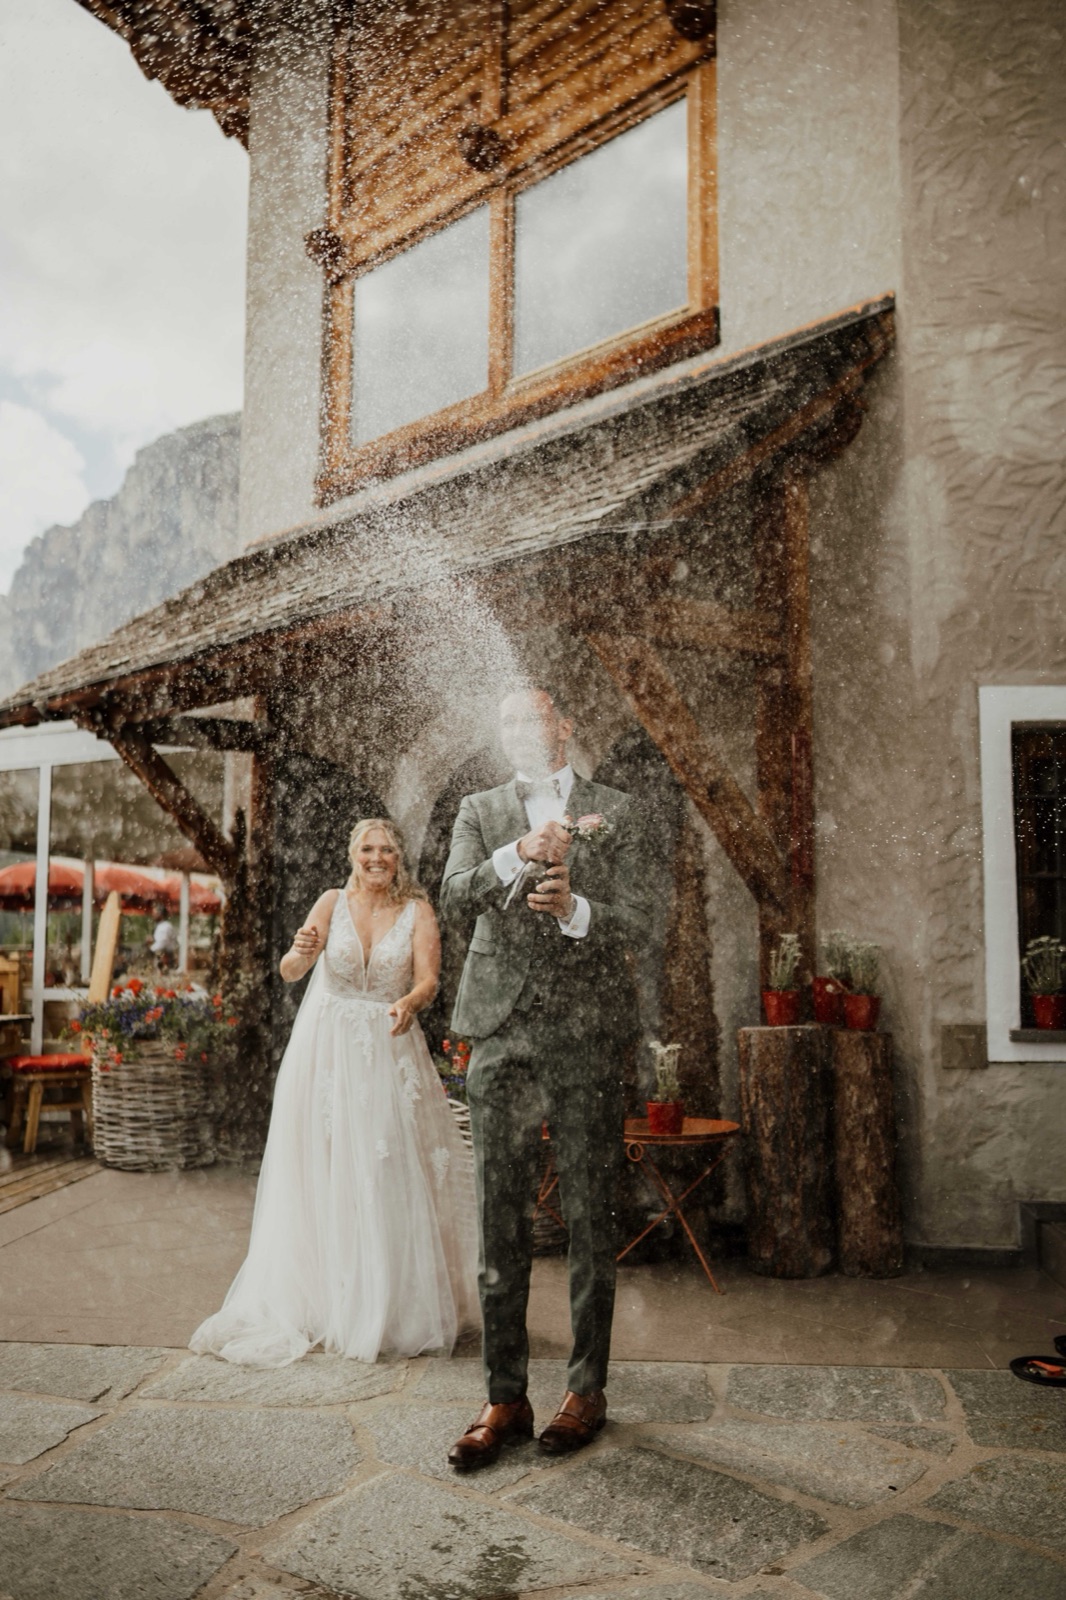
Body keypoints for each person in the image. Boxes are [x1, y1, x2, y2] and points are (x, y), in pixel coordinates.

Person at [441, 687, 648, 1469]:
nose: (518, 731)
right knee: (501, 1214)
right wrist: (517, 855)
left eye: (532, 718)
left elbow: (646, 915)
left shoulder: (615, 808)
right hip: (499, 1029)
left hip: (587, 1032)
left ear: (565, 724)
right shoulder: (479, 809)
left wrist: (579, 911)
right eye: (506, 722)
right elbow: (456, 896)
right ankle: (505, 1397)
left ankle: (585, 1390)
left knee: (593, 1211)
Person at [190, 818, 478, 1367]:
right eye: (367, 848)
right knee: (322, 1165)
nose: (377, 857)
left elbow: (429, 980)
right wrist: (300, 951)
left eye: (387, 849)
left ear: (399, 857)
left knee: (384, 1165)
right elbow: (292, 970)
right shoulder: (330, 901)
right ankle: (323, 1298)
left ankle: (385, 1303)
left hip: (388, 1048)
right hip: (323, 1054)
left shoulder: (419, 911)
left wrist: (409, 1004)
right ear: (352, 854)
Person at [147, 903, 178, 972]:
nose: (153, 915)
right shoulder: (160, 926)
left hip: (165, 958)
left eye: (154, 913)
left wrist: (151, 948)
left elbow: (162, 943)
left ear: (160, 914)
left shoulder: (165, 926)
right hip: (162, 957)